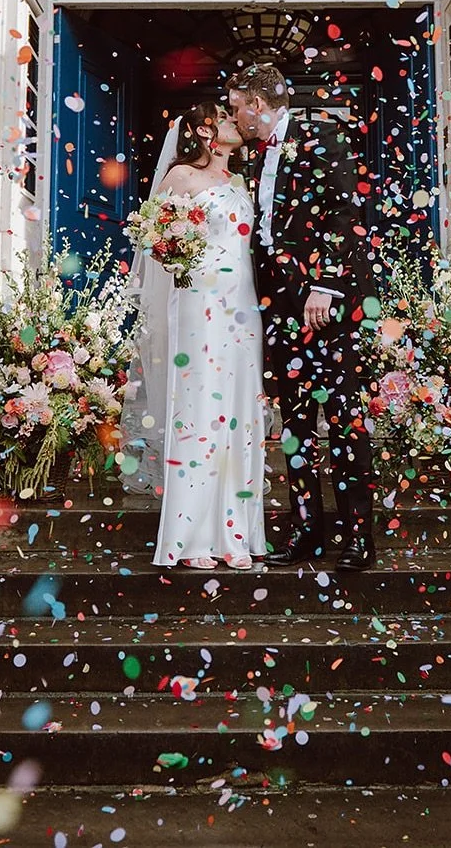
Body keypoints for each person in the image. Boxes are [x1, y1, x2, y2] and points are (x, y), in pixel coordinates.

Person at [229, 64, 377, 572]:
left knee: (342, 420)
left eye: (236, 104)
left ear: (257, 102)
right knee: (294, 424)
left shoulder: (321, 136)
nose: (233, 115)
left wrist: (326, 284)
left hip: (325, 304)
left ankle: (359, 535)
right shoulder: (253, 158)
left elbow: (345, 210)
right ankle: (308, 531)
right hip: (278, 309)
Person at [144, 104, 265, 569]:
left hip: (242, 307)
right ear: (202, 131)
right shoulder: (180, 178)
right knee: (200, 409)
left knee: (239, 412)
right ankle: (192, 537)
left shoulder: (240, 182)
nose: (238, 122)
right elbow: (157, 240)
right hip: (199, 304)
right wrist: (183, 259)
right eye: (227, 118)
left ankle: (235, 534)